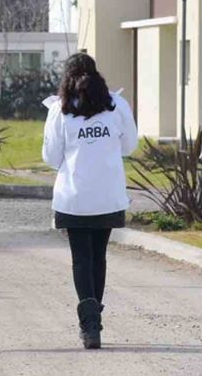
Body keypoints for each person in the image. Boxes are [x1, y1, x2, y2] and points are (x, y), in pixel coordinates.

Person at [41, 53, 138, 349]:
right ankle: (94, 320)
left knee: (81, 259)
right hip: (108, 196)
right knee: (99, 257)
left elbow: (51, 157)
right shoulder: (117, 105)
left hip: (74, 197)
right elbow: (129, 146)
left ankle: (90, 325)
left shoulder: (60, 110)